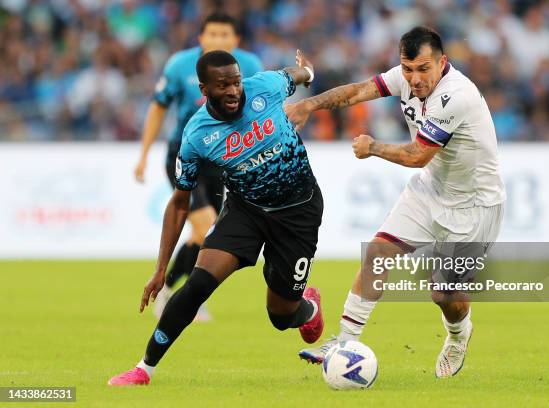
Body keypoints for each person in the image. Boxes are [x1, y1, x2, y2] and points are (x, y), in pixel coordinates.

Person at [286, 26, 506, 378]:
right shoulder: (403, 78)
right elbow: (357, 92)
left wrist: (372, 147)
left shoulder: (456, 96)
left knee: (443, 294)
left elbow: (418, 155)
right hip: (430, 189)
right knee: (377, 253)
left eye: (423, 69)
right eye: (407, 69)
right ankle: (343, 344)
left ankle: (458, 333)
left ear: (442, 63)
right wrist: (309, 104)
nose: (415, 79)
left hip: (474, 205)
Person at [108, 49, 324, 386]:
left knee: (281, 316)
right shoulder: (196, 136)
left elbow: (297, 74)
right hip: (246, 212)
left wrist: (307, 71)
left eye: (236, 83)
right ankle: (143, 369)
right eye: (223, 85)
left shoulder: (266, 86)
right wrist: (160, 270)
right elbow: (180, 203)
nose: (234, 91)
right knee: (198, 285)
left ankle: (308, 307)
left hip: (297, 211)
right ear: (204, 89)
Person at [133, 12, 263, 321]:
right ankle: (181, 295)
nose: (218, 40)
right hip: (184, 156)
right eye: (212, 34)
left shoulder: (251, 66)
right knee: (206, 228)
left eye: (225, 35)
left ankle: (171, 290)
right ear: (201, 38)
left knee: (201, 234)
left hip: (221, 162)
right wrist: (143, 154)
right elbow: (158, 107)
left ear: (236, 40)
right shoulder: (180, 65)